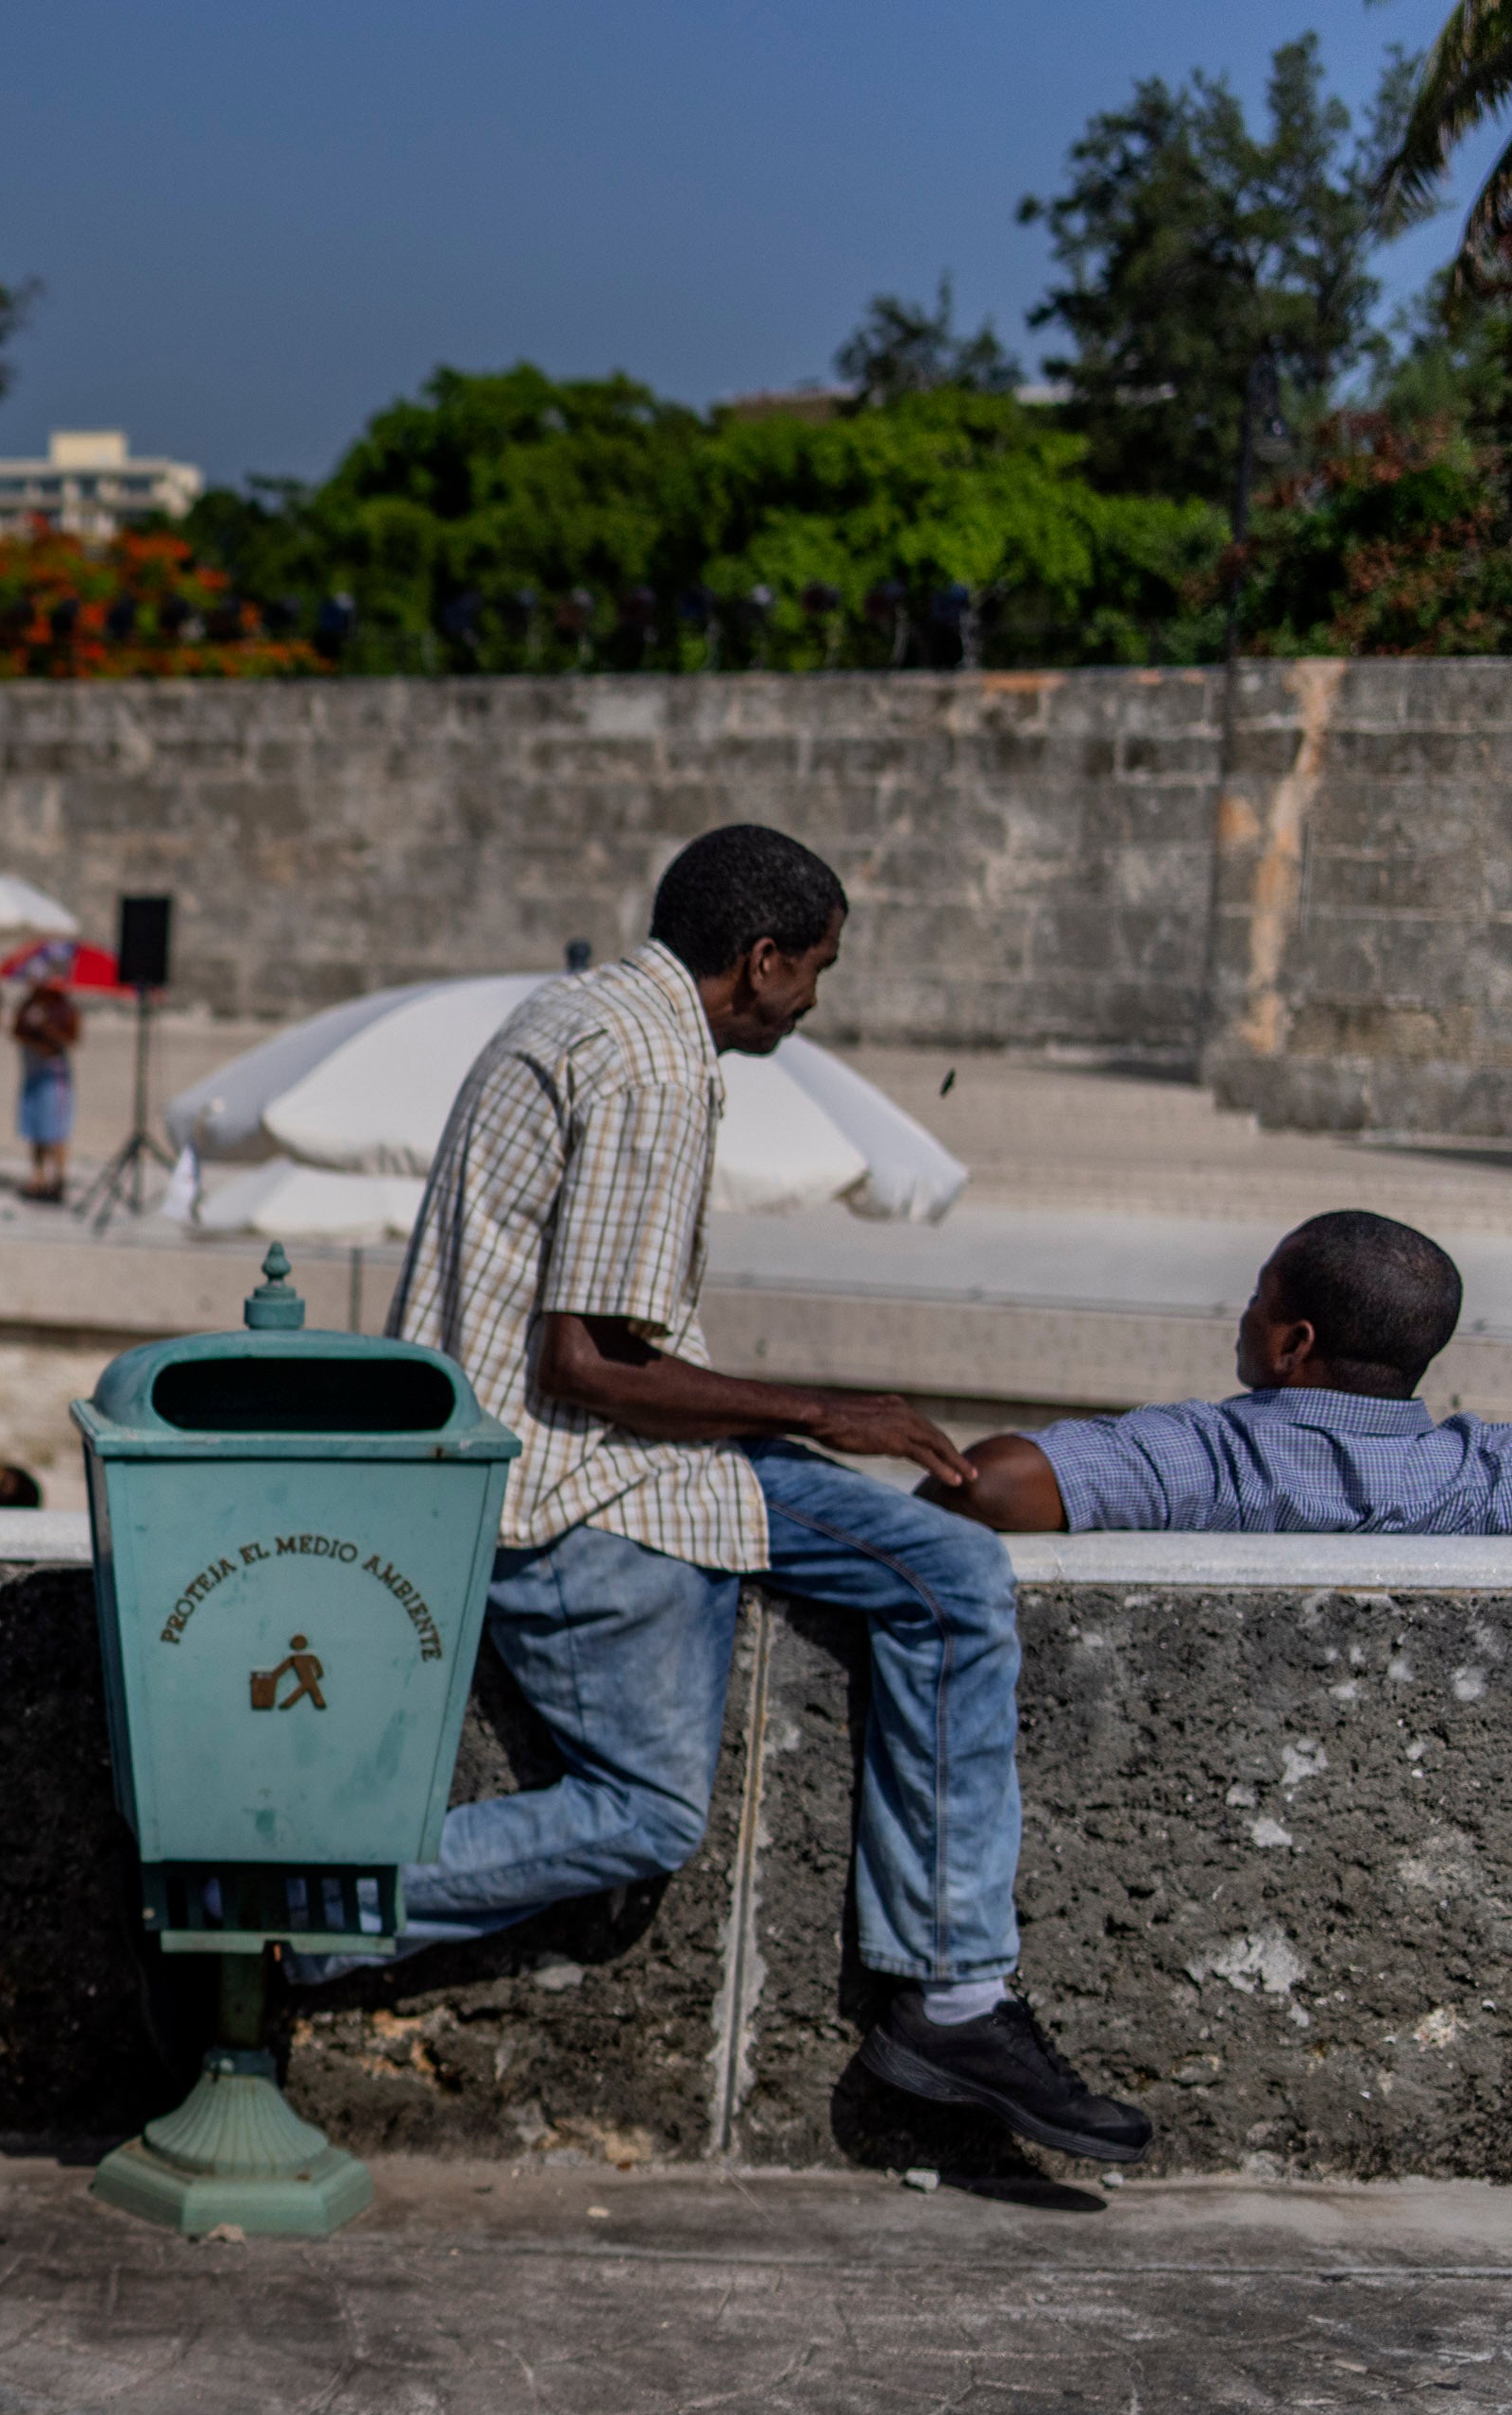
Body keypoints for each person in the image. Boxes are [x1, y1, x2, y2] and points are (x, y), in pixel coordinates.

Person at [349, 822, 1150, 2167]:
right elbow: (587, 1366)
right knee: (644, 1812)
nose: (814, 1000)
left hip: (578, 1451)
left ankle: (956, 1996)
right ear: (761, 958)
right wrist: (830, 1411)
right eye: (816, 969)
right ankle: (289, 1906)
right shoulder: (654, 1063)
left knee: (949, 1576)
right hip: (575, 1484)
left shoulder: (587, 1010)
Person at [944, 1213, 1506, 1534]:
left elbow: (990, 1483)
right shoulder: (1480, 1477)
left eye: (1259, 1297)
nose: (1246, 1313)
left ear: (1295, 1344)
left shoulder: (1215, 1459)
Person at [8, 961, 81, 1200]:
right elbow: (16, 1031)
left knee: (55, 1129)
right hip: (33, 1072)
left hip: (53, 1076)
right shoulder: (27, 1005)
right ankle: (38, 1176)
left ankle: (59, 1177)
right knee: (35, 1127)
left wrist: (46, 1030)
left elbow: (72, 1037)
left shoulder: (61, 1006)